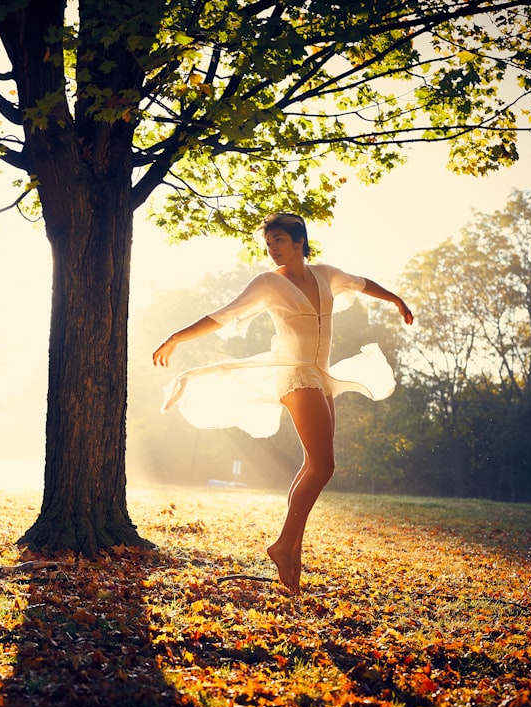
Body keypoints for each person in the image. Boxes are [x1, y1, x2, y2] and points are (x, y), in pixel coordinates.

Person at [152, 212, 414, 594]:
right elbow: (223, 315)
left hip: (321, 376)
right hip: (295, 374)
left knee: (314, 464)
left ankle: (292, 548)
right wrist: (177, 337)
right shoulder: (267, 284)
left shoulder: (325, 274)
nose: (271, 248)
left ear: (298, 241)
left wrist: (397, 300)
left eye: (278, 240)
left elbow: (361, 284)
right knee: (324, 464)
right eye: (268, 243)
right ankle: (283, 544)